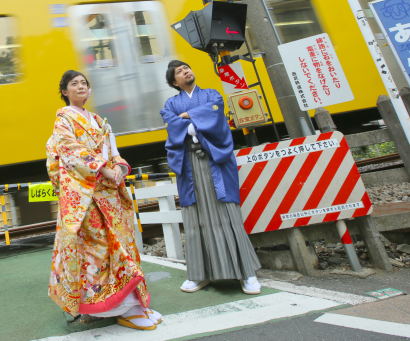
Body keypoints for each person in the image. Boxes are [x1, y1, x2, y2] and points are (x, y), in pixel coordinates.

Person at [46, 70, 161, 331]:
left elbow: (114, 151)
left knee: (123, 244)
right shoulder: (63, 118)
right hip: (86, 197)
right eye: (74, 84)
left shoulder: (99, 120)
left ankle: (133, 304)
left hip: (108, 193)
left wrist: (119, 166)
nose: (81, 87)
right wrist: (102, 167)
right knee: (98, 249)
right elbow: (69, 149)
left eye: (84, 83)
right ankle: (114, 308)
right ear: (65, 92)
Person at [160, 60, 262, 295]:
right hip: (189, 163)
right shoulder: (171, 103)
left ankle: (247, 273)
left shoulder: (212, 94)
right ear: (174, 82)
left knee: (228, 213)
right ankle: (199, 274)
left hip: (215, 159)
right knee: (195, 218)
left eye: (187, 67)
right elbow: (169, 119)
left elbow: (215, 111)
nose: (186, 71)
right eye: (180, 71)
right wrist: (194, 119)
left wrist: (186, 117)